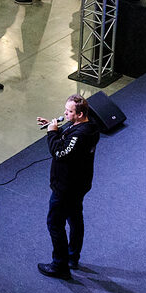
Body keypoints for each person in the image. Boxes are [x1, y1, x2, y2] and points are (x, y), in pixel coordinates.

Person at [36, 94, 101, 280]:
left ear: (80, 114)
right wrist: (55, 127)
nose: (64, 114)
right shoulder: (89, 125)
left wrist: (51, 133)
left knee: (55, 224)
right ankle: (73, 257)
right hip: (79, 183)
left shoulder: (81, 135)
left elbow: (59, 152)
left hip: (67, 187)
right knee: (75, 219)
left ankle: (60, 265)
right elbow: (68, 139)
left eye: (69, 111)